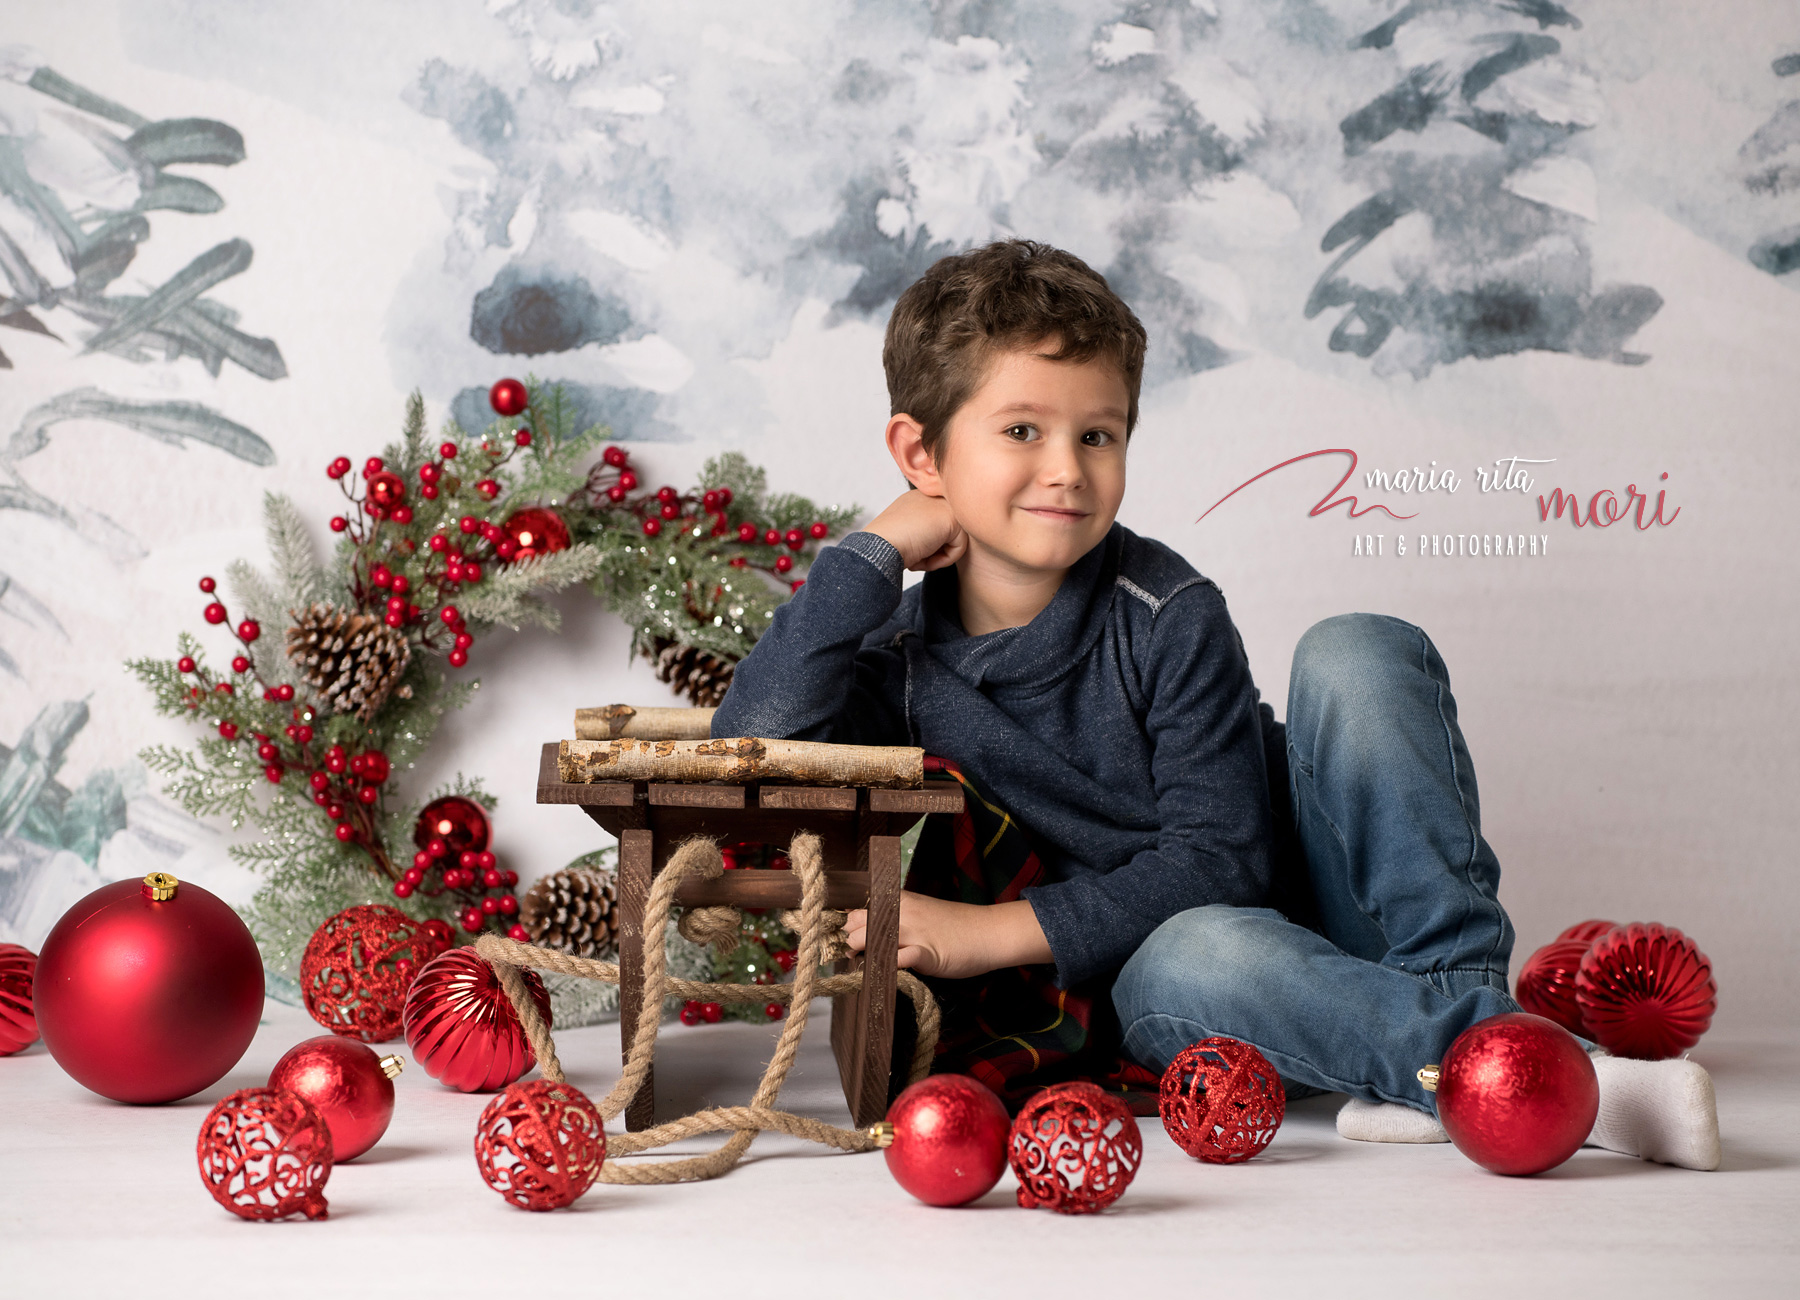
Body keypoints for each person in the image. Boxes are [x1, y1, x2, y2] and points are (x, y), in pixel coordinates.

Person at [709, 239, 1720, 1170]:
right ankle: (1525, 1071)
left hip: (1328, 916)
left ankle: (1473, 1037)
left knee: (1358, 648)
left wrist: (987, 932)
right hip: (1183, 982)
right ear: (922, 455)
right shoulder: (890, 656)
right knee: (1198, 945)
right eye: (1022, 429)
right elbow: (753, 749)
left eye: (1097, 433)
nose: (1066, 468)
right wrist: (865, 556)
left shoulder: (1164, 608)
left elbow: (1222, 857)